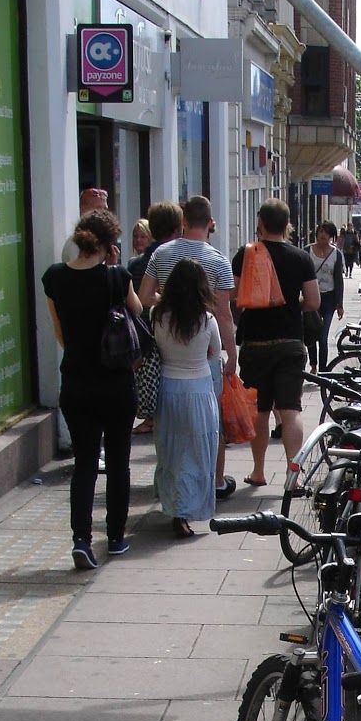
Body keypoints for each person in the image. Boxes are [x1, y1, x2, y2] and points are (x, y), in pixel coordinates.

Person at [42, 208, 142, 570]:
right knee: (118, 461)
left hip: (77, 383)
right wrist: (116, 271)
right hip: (116, 383)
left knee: (85, 463)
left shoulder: (54, 278)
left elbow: (60, 334)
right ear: (111, 244)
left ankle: (81, 539)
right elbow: (138, 310)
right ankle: (115, 537)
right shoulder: (118, 277)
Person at [139, 194, 239, 500]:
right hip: (204, 354)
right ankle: (215, 481)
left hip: (167, 352)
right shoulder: (219, 261)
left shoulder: (161, 254)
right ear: (210, 223)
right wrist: (231, 355)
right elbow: (223, 312)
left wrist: (167, 305)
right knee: (210, 426)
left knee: (170, 429)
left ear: (183, 222)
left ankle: (171, 486)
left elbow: (143, 298)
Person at [229, 198, 320, 485]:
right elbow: (314, 301)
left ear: (260, 223)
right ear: (287, 224)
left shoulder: (246, 255)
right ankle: (294, 474)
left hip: (256, 343)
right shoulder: (301, 258)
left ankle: (258, 471)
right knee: (290, 410)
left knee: (260, 410)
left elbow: (233, 295)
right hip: (291, 341)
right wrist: (292, 305)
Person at [151, 259, 222, 538]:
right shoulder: (207, 319)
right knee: (197, 450)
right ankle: (187, 508)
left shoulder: (157, 314)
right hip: (198, 389)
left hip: (167, 388)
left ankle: (174, 507)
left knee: (171, 451)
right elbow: (215, 353)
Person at [307, 218, 344, 373]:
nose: (323, 235)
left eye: (326, 233)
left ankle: (322, 370)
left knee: (323, 336)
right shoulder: (307, 251)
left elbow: (338, 280)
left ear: (332, 236)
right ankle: (313, 365)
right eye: (321, 232)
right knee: (310, 334)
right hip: (310, 297)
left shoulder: (336, 254)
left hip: (328, 299)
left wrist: (340, 304)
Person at [61, 187, 110, 262]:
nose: (103, 213)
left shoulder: (103, 240)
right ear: (83, 210)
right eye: (98, 208)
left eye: (105, 209)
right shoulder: (76, 244)